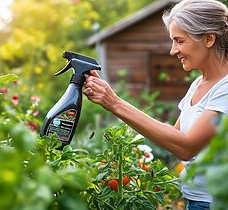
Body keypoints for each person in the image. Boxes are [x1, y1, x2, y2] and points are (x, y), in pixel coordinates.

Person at [83, 0, 228, 209]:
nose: (173, 51)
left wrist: (114, 102)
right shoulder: (199, 84)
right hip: (194, 199)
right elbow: (173, 135)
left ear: (208, 39)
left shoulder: (225, 88)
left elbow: (186, 147)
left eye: (179, 41)